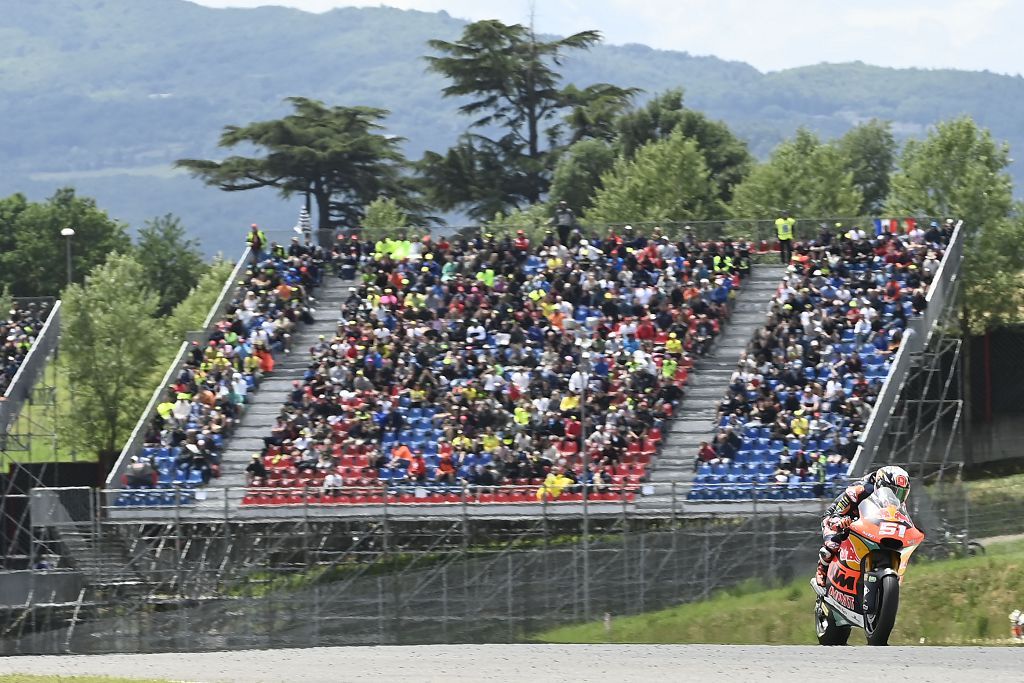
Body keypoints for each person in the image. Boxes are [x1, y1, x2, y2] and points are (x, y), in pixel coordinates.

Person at [815, 465, 911, 586]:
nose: (895, 497)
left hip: (867, 520)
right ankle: (821, 570)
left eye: (901, 493)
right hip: (839, 515)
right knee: (833, 544)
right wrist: (840, 521)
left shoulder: (898, 503)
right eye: (892, 491)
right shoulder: (859, 490)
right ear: (881, 485)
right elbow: (835, 514)